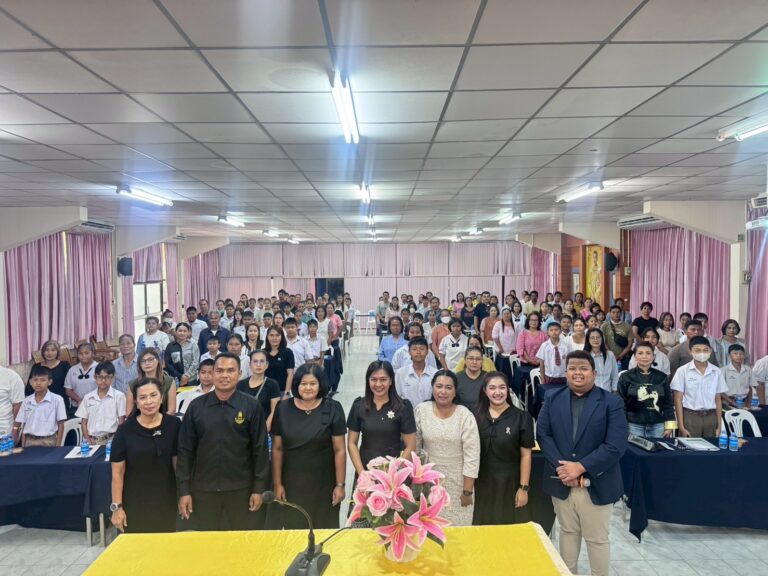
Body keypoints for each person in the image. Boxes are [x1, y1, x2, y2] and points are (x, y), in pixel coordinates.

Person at [538, 350, 628, 576]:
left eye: (583, 368)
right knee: (567, 532)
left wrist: (579, 467)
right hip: (562, 481)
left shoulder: (611, 402)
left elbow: (615, 445)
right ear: (566, 372)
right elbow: (543, 435)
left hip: (597, 482)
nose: (577, 373)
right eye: (572, 368)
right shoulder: (552, 398)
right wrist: (564, 469)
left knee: (597, 539)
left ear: (594, 373)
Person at [178, 353, 269, 531]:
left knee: (241, 542)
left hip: (241, 490)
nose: (224, 375)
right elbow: (185, 451)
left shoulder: (251, 406)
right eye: (219, 370)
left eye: (230, 370)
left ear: (240, 374)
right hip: (203, 490)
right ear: (212, 374)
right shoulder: (196, 406)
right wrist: (184, 491)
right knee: (207, 542)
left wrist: (258, 489)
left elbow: (260, 450)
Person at [271, 364, 346, 529]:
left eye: (313, 383)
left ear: (320, 385)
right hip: (292, 482)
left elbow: (339, 450)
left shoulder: (333, 408)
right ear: (296, 385)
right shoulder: (283, 408)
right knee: (294, 530)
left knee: (323, 531)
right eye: (303, 383)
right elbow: (277, 449)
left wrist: (340, 485)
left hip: (324, 483)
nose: (308, 388)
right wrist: (277, 484)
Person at [110, 377, 181, 534]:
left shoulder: (174, 425)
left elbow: (178, 465)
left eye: (153, 395)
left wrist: (183, 495)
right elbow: (117, 472)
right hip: (134, 501)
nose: (149, 402)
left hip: (167, 499)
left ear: (161, 398)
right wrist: (117, 507)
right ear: (136, 402)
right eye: (142, 398)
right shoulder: (124, 430)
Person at [414, 370, 480, 527]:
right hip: (429, 481)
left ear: (455, 391)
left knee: (459, 530)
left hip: (459, 483)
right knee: (430, 530)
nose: (443, 391)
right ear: (432, 388)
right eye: (439, 386)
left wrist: (467, 491)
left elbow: (472, 456)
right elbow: (415, 450)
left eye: (448, 387)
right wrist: (416, 484)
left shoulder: (465, 415)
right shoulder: (421, 410)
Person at [472, 372, 534, 526]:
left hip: (510, 483)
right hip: (481, 482)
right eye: (492, 388)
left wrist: (523, 488)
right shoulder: (475, 416)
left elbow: (526, 456)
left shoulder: (521, 417)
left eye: (502, 387)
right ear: (485, 391)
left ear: (508, 390)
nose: (497, 392)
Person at [347, 361, 417, 476]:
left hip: (394, 474)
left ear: (391, 381)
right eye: (373, 379)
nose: (378, 384)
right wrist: (362, 473)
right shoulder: (359, 405)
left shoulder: (403, 407)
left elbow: (411, 446)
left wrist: (394, 473)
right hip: (366, 471)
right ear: (368, 381)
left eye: (383, 379)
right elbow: (351, 443)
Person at [671, 336, 727, 438]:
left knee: (711, 446)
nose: (702, 353)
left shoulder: (716, 371)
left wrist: (719, 426)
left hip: (711, 417)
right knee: (689, 447)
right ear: (690, 352)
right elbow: (678, 400)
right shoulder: (682, 371)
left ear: (710, 351)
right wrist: (681, 426)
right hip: (690, 417)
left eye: (705, 350)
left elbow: (718, 399)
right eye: (697, 350)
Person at [618, 342, 675, 438]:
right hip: (633, 425)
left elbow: (668, 403)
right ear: (635, 357)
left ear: (653, 357)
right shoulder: (625, 377)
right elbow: (621, 403)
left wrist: (670, 426)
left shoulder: (662, 377)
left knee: (658, 447)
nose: (644, 356)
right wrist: (622, 425)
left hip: (658, 425)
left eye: (648, 353)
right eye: (640, 353)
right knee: (634, 448)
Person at [15, 365, 67, 447]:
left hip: (48, 441)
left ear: (49, 382)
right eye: (35, 380)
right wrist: (23, 445)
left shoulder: (57, 399)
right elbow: (24, 424)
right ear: (30, 382)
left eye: (43, 380)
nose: (38, 383)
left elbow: (61, 424)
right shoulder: (27, 401)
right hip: (29, 441)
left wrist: (58, 446)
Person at [76, 362, 127, 445]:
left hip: (111, 440)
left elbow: (122, 422)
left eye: (107, 377)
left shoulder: (119, 396)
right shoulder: (88, 397)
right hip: (92, 440)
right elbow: (84, 423)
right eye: (100, 377)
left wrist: (117, 440)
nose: (103, 380)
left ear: (113, 378)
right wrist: (88, 440)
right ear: (94, 377)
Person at [237, 349, 280, 432]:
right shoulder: (241, 384)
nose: (258, 365)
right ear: (250, 364)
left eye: (262, 361)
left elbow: (274, 411)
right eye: (255, 361)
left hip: (264, 429)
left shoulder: (272, 384)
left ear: (267, 365)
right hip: (243, 429)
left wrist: (264, 431)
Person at [126, 349, 176, 416]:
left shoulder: (169, 381)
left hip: (164, 419)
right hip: (139, 420)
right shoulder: (133, 384)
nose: (147, 363)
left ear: (158, 361)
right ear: (139, 365)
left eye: (150, 359)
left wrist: (158, 421)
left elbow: (171, 410)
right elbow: (129, 413)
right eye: (143, 361)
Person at [395, 337, 437, 407]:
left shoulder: (435, 373)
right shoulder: (401, 373)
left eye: (422, 349)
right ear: (409, 352)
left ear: (427, 352)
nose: (418, 352)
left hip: (429, 411)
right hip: (406, 412)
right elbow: (397, 396)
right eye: (414, 349)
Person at [513, 311, 547, 398]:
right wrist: (530, 360)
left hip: (540, 364)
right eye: (531, 320)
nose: (533, 322)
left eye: (536, 320)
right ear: (528, 321)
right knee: (526, 387)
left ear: (539, 322)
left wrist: (539, 361)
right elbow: (521, 349)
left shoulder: (543, 334)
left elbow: (546, 350)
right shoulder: (523, 333)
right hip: (526, 364)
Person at [64, 342, 97, 414]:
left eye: (86, 353)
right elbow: (68, 390)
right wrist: (79, 400)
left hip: (95, 405)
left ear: (93, 354)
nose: (83, 356)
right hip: (77, 405)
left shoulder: (99, 368)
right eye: (80, 353)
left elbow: (104, 388)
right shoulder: (72, 369)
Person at [264, 326, 295, 397]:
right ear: (267, 337)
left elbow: (290, 374)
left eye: (277, 335)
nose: (274, 338)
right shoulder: (263, 353)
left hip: (282, 391)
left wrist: (287, 393)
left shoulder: (287, 352)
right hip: (265, 391)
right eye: (271, 335)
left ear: (282, 337)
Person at [585, 328, 619, 393]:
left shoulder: (610, 355)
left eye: (598, 337)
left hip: (608, 392)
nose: (596, 340)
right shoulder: (585, 356)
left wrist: (615, 390)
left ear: (602, 339)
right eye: (592, 338)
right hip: (590, 393)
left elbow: (614, 375)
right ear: (588, 340)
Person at [601, 306, 633, 371]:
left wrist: (620, 356)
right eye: (613, 312)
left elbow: (630, 344)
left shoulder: (627, 326)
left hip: (624, 357)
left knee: (623, 374)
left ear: (621, 313)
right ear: (610, 313)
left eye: (618, 312)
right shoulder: (604, 326)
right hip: (608, 356)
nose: (616, 314)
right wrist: (611, 354)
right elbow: (602, 342)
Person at [456, 347, 488, 412]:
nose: (474, 362)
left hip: (485, 415)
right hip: (462, 415)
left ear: (482, 361)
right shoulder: (456, 378)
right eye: (471, 358)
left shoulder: (488, 378)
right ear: (465, 360)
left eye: (478, 359)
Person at [492, 306, 517, 378]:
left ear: (511, 314)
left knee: (512, 373)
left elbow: (519, 338)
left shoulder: (516, 325)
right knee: (501, 374)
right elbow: (495, 337)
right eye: (504, 314)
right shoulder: (498, 324)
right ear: (502, 315)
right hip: (502, 353)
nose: (506, 315)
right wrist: (500, 348)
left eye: (508, 313)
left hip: (513, 353)